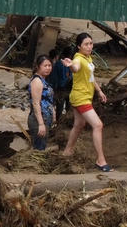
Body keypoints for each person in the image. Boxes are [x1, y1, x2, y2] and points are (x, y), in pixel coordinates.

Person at [61, 32, 111, 171]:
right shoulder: (78, 58)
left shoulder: (88, 58)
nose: (89, 47)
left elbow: (91, 77)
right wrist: (70, 65)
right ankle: (101, 160)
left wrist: (99, 91)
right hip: (80, 97)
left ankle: (67, 151)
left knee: (79, 124)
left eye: (91, 43)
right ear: (79, 46)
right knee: (98, 125)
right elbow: (76, 68)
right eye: (86, 44)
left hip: (84, 96)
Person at [26, 54, 55, 150]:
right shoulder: (37, 81)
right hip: (38, 120)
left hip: (45, 119)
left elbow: (48, 100)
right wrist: (41, 124)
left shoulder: (44, 80)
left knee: (41, 146)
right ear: (38, 67)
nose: (48, 68)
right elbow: (36, 103)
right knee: (39, 149)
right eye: (45, 66)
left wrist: (53, 113)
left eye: (49, 66)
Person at [46, 45, 74, 124]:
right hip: (63, 89)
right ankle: (62, 123)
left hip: (63, 89)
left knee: (61, 108)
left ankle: (60, 123)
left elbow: (54, 78)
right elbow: (55, 78)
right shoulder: (62, 64)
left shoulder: (60, 63)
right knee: (63, 107)